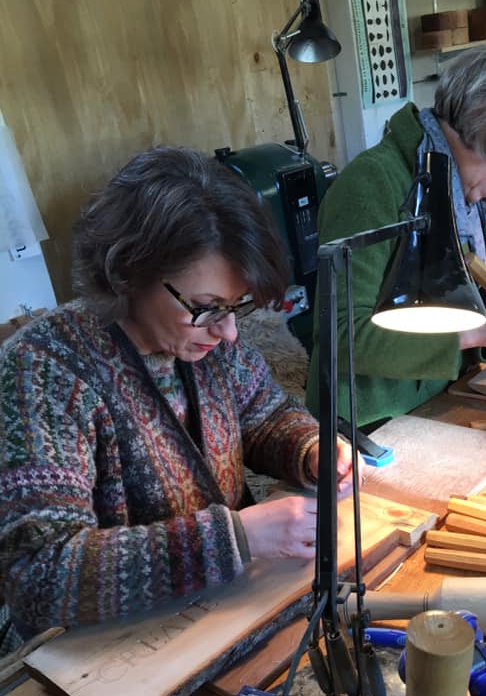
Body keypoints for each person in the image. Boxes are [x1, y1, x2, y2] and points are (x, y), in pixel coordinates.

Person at [0, 146, 355, 651]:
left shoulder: (204, 341)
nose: (230, 332)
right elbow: (39, 575)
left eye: (237, 307)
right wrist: (235, 539)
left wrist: (311, 448)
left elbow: (267, 416)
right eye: (209, 307)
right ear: (128, 271)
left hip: (216, 616)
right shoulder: (43, 370)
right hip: (96, 659)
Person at [306, 39, 486, 429]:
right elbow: (345, 341)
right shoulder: (374, 184)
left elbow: (444, 323)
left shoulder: (452, 189)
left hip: (435, 406)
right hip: (361, 431)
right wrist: (478, 329)